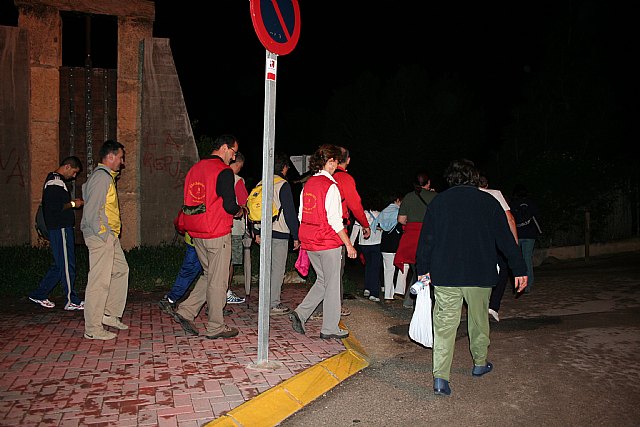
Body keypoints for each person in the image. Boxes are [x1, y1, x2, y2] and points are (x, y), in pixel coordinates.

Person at [415, 159, 528, 397]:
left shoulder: (439, 202)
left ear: (450, 179)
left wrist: (422, 269)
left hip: (445, 274)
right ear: (474, 177)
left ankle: (440, 379)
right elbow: (506, 240)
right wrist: (519, 268)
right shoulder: (488, 202)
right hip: (480, 273)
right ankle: (479, 363)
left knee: (445, 326)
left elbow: (426, 241)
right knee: (478, 319)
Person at [172, 134, 243, 339]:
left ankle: (185, 311)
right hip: (216, 231)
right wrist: (240, 211)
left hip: (196, 231)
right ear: (223, 148)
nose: (233, 156)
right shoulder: (223, 171)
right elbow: (229, 205)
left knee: (209, 274)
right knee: (218, 281)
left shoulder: (195, 169)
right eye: (233, 152)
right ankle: (215, 326)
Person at [289, 144, 357, 339]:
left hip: (310, 241)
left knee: (323, 281)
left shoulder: (308, 184)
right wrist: (348, 244)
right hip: (327, 242)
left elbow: (302, 215)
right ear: (329, 162)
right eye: (334, 161)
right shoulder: (331, 187)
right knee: (333, 285)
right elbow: (335, 221)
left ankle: (300, 313)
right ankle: (329, 328)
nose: (336, 165)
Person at [311, 146, 369, 319]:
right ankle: (332, 308)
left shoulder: (319, 179)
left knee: (323, 274)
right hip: (336, 229)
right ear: (347, 160)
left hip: (317, 230)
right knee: (336, 271)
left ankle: (317, 309)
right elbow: (355, 204)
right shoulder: (342, 178)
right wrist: (365, 225)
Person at [81, 140, 129, 340]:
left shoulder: (102, 177)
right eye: (120, 157)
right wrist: (104, 234)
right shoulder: (102, 178)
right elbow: (92, 211)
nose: (122, 162)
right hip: (101, 236)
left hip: (108, 235)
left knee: (120, 270)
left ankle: (108, 314)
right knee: (98, 282)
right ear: (110, 157)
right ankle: (92, 328)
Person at [29, 156, 85, 310]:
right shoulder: (55, 182)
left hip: (58, 228)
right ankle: (71, 299)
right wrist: (75, 203)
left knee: (59, 264)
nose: (74, 176)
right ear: (67, 166)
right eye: (74, 172)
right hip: (60, 228)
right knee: (67, 264)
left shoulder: (55, 181)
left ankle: (39, 294)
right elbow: (56, 206)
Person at [254, 152, 300, 315]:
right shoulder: (282, 184)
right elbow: (289, 213)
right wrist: (296, 235)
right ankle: (273, 304)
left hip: (264, 232)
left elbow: (254, 209)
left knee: (266, 269)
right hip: (279, 232)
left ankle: (264, 300)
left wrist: (255, 232)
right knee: (277, 270)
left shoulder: (262, 182)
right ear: (285, 168)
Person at [478, 174, 519, 322]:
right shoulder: (495, 194)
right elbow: (510, 218)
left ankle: (479, 305)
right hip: (495, 238)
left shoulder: (470, 195)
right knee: (503, 269)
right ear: (487, 185)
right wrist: (514, 242)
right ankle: (493, 306)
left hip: (477, 241)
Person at [394, 172, 436, 308]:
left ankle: (410, 300)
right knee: (426, 271)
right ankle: (422, 301)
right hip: (429, 237)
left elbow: (401, 219)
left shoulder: (409, 197)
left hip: (411, 238)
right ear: (428, 183)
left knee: (417, 269)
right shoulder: (435, 197)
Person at [371, 193, 408, 302]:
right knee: (404, 266)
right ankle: (399, 291)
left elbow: (376, 225)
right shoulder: (399, 212)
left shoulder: (384, 212)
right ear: (397, 200)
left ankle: (388, 295)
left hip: (385, 244)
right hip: (397, 243)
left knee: (388, 270)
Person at [157, 231, 202, 315]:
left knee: (191, 271)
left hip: (194, 238)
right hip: (199, 238)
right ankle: (172, 300)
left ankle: (171, 299)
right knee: (206, 273)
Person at [511, 184, 541, 293]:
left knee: (518, 259)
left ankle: (519, 283)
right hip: (530, 234)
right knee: (527, 258)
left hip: (518, 234)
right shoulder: (531, 203)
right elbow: (537, 217)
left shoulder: (513, 204)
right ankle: (528, 284)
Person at [227, 152, 249, 304]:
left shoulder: (217, 176)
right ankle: (226, 292)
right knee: (230, 262)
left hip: (218, 226)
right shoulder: (237, 180)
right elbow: (243, 202)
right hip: (234, 228)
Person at [350, 205, 382, 302]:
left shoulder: (361, 214)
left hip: (363, 244)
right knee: (375, 268)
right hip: (376, 243)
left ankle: (367, 288)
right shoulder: (379, 213)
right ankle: (374, 293)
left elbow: (355, 229)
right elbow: (384, 227)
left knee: (368, 265)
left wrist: (350, 245)